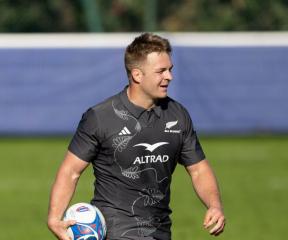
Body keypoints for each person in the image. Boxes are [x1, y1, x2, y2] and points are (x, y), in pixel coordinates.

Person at [47, 33, 225, 240]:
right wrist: (54, 218)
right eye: (161, 71)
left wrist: (214, 206)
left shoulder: (178, 115)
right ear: (137, 75)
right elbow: (70, 171)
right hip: (116, 231)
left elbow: (198, 169)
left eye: (170, 70)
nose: (169, 76)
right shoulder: (100, 117)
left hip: (160, 231)